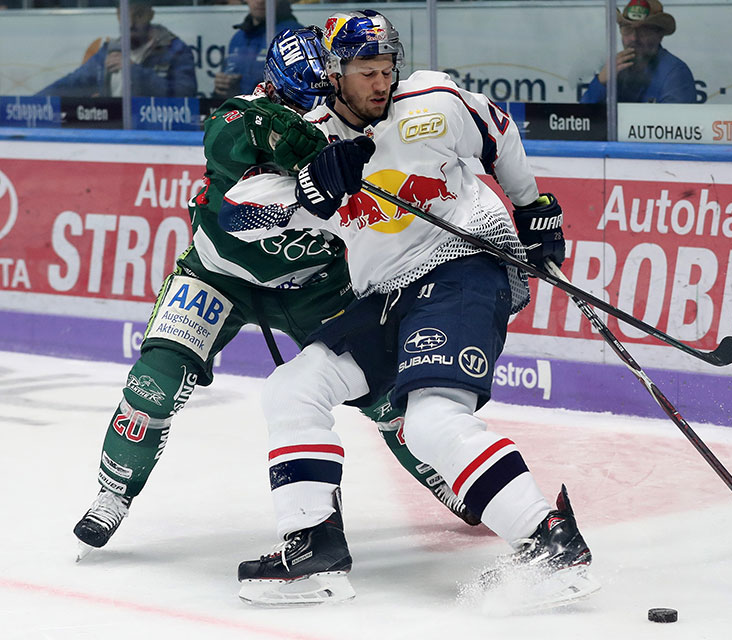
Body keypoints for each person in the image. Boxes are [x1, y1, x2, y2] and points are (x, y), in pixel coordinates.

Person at [221, 10, 600, 609]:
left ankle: (549, 540)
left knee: (429, 421)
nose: (381, 82)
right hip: (386, 296)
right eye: (365, 71)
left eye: (386, 68)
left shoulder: (433, 99)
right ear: (334, 73)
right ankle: (313, 546)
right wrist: (306, 193)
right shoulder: (308, 137)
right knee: (291, 389)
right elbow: (236, 216)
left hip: (462, 264)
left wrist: (532, 205)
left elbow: (497, 129)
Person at [72, 27, 477, 561]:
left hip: (316, 283)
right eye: (297, 98)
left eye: (320, 95)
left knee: (384, 390)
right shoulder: (239, 119)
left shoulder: (367, 120)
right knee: (157, 379)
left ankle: (444, 474)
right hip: (218, 276)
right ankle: (113, 491)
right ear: (275, 85)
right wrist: (306, 169)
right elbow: (237, 181)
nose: (311, 110)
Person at [36, 0, 197, 98]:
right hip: (114, 133)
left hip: (159, 135)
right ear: (118, 16)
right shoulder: (110, 50)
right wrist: (31, 103)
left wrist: (134, 71)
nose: (131, 23)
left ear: (150, 15)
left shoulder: (175, 50)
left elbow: (185, 95)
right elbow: (72, 83)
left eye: (138, 15)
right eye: (125, 15)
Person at [580, 0, 696, 104]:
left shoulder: (674, 73)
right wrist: (601, 82)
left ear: (659, 35)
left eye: (644, 30)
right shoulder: (615, 68)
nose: (634, 38)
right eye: (627, 29)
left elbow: (673, 125)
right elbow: (584, 120)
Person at [212, 0, 303, 100]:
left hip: (273, 113)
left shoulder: (293, 37)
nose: (260, 1)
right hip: (242, 111)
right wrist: (223, 88)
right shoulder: (238, 38)